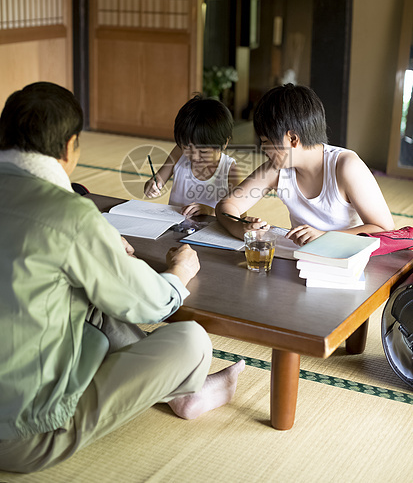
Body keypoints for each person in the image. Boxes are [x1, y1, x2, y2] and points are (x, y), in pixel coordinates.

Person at [0, 82, 244, 474]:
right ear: (70, 148)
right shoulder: (70, 214)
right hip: (24, 434)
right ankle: (182, 392)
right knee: (191, 340)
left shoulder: (72, 215)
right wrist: (179, 272)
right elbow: (149, 301)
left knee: (88, 303)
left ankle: (181, 393)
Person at [216, 83, 394, 245]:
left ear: (292, 138)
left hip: (348, 263)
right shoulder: (277, 169)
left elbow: (385, 229)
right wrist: (241, 228)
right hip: (303, 262)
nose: (263, 149)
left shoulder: (346, 166)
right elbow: (226, 206)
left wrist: (326, 236)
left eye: (266, 142)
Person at [144, 94, 242, 217]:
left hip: (210, 232)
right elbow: (158, 179)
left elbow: (239, 216)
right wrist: (151, 185)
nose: (194, 157)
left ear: (224, 144)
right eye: (187, 148)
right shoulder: (178, 152)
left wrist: (210, 211)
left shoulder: (230, 169)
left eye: (203, 152)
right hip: (174, 228)